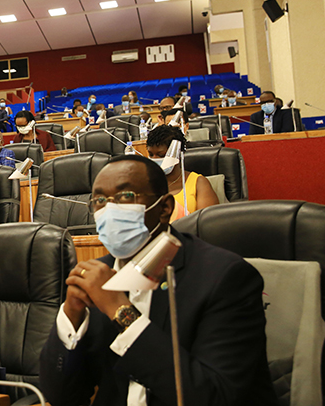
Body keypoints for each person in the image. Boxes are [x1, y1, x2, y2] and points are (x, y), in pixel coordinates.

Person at [39, 155, 277, 406]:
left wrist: (121, 311)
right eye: (99, 200)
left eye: (125, 197)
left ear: (164, 208)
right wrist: (71, 317)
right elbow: (61, 397)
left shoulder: (224, 277)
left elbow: (213, 396)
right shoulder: (99, 276)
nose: (109, 209)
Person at [146, 125, 219, 221]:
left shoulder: (198, 183)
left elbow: (207, 225)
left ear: (178, 154)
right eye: (151, 154)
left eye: (161, 155)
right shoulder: (145, 184)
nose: (155, 159)